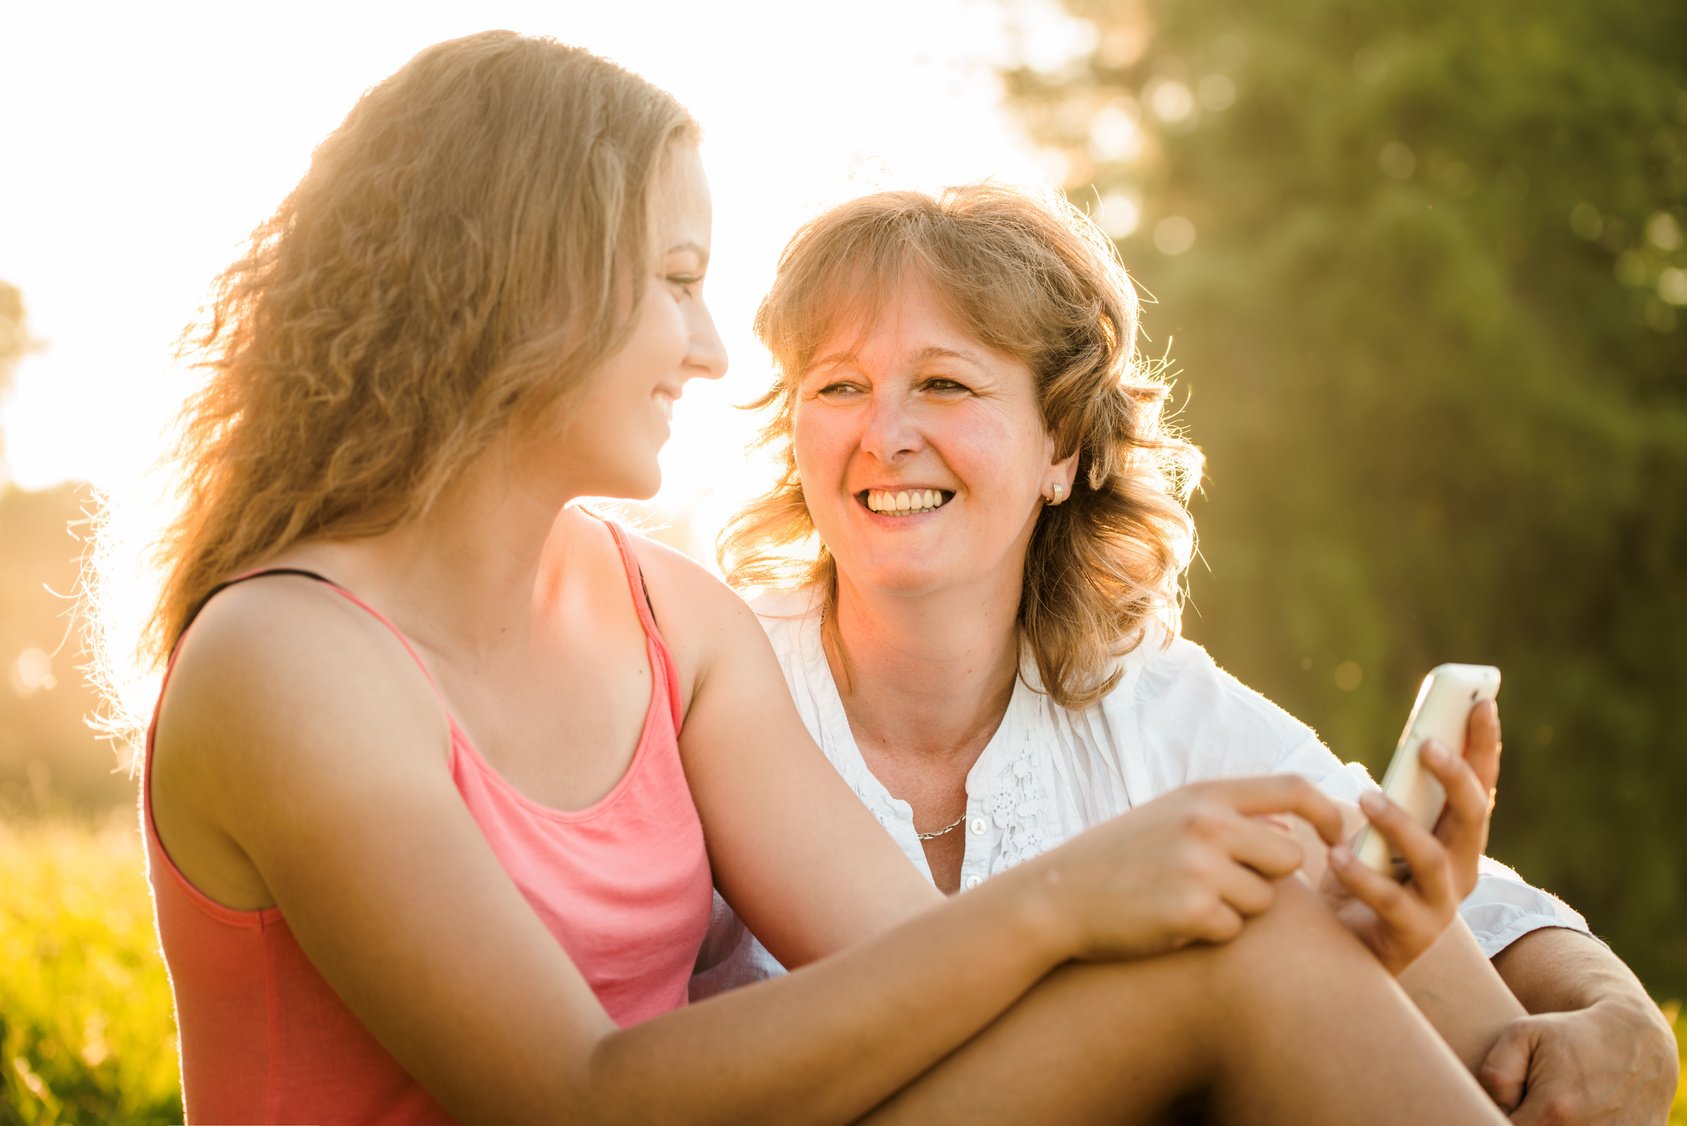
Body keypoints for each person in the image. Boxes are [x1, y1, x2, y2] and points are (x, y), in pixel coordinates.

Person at [95, 30, 1536, 1124]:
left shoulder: (667, 617)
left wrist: (1278, 920)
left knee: (1267, 950)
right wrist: (1071, 895)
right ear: (517, 286)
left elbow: (919, 981)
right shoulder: (286, 660)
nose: (713, 348)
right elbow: (580, 1095)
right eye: (671, 278)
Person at [697, 183, 1681, 1121]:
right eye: (838, 386)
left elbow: (1441, 891)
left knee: (1315, 868)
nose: (885, 432)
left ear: (1062, 449)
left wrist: (1617, 1013)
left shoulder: (1141, 696)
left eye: (944, 382)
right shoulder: (712, 677)